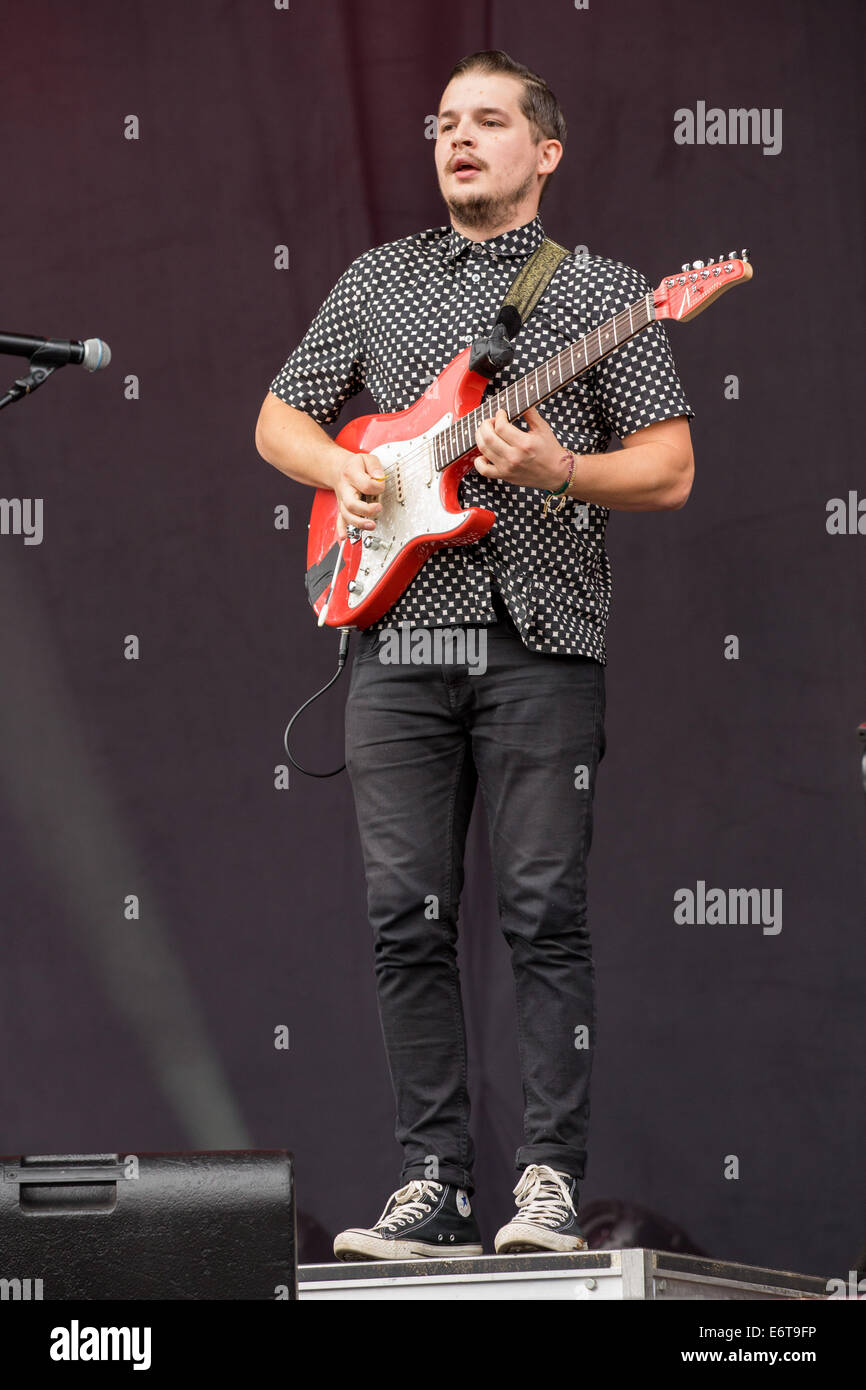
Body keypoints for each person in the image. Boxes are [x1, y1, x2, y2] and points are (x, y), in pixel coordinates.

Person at [255, 49, 694, 1260]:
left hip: (540, 640)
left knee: (542, 910)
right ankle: (430, 1182)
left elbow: (667, 468)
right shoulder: (374, 281)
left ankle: (546, 1181)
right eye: (444, 122)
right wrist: (345, 467)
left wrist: (562, 471)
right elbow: (277, 417)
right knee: (405, 916)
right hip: (394, 638)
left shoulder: (609, 293)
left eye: (487, 122)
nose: (457, 138)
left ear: (543, 151)